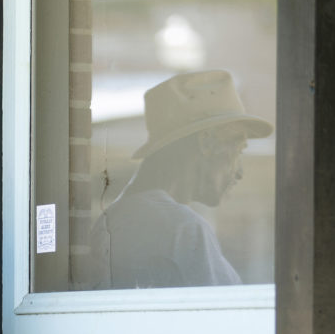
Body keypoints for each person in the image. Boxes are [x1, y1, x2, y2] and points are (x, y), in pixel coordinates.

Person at [92, 70, 272, 289]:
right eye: (238, 150)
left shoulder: (112, 220)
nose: (239, 172)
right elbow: (227, 320)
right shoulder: (183, 229)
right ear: (206, 142)